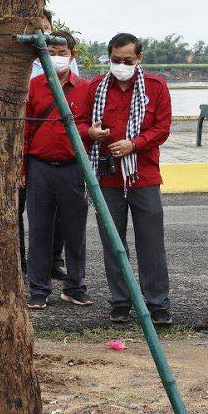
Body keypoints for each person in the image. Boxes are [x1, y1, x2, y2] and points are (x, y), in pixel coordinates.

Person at [87, 33, 174, 325]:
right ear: (108, 57)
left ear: (138, 58)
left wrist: (134, 144)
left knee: (151, 243)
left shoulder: (155, 86)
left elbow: (162, 128)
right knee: (113, 243)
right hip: (107, 177)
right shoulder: (96, 87)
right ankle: (121, 301)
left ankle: (157, 303)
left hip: (143, 175)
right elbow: (81, 123)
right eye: (116, 60)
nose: (121, 65)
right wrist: (91, 133)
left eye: (127, 60)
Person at [23, 30, 93, 310]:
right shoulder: (34, 86)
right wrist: (22, 167)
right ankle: (38, 288)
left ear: (71, 55)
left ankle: (75, 286)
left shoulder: (85, 88)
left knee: (75, 231)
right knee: (39, 230)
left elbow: (89, 126)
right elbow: (26, 127)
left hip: (73, 167)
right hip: (39, 166)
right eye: (50, 53)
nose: (56, 58)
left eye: (61, 53)